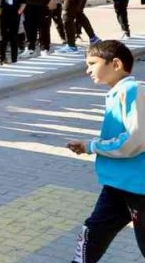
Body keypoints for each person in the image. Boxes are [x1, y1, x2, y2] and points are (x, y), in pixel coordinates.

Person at [65, 40, 144, 262]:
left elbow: (134, 140)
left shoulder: (133, 91)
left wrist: (92, 146)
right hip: (117, 184)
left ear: (116, 64)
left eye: (92, 63)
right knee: (92, 232)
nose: (87, 69)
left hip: (139, 188)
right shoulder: (116, 93)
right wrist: (89, 144)